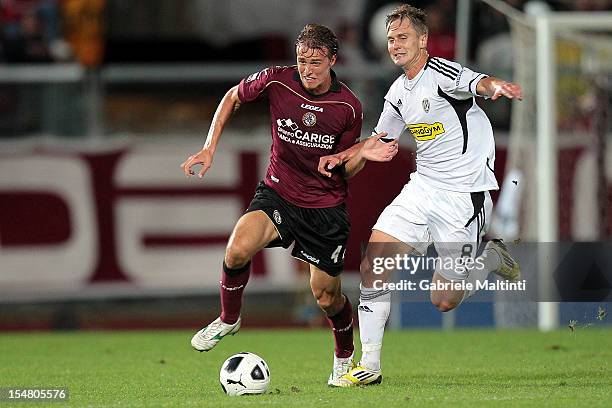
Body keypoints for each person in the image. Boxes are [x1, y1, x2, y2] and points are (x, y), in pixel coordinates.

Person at [180, 23, 399, 386]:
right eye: (301, 61)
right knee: (236, 250)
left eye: (315, 62)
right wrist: (209, 146)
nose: (307, 69)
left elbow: (346, 170)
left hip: (324, 209)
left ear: (332, 59)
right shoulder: (276, 81)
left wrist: (363, 153)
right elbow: (233, 96)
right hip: (278, 191)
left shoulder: (347, 106)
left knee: (326, 297)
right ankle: (229, 318)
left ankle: (344, 355)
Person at [318, 4, 522, 386]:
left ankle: (492, 257)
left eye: (403, 37)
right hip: (422, 188)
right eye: (391, 39)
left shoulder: (443, 73)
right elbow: (379, 140)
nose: (395, 45)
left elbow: (476, 81)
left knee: (443, 301)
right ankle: (370, 366)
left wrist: (494, 86)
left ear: (423, 39)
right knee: (373, 266)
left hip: (464, 195)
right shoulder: (397, 92)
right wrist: (347, 154)